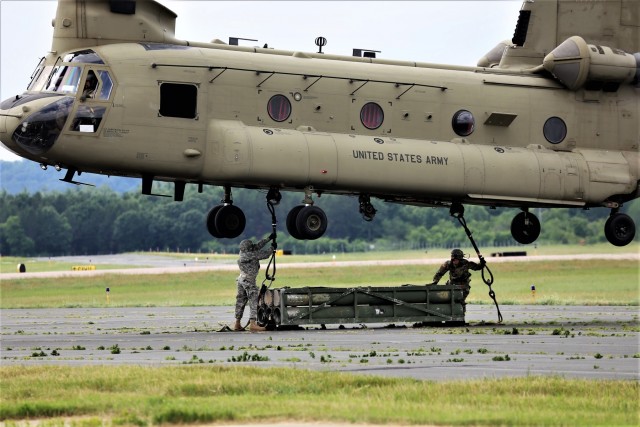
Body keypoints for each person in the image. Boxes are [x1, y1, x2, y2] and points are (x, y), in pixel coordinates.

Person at [234, 233, 276, 332]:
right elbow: (265, 254)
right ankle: (253, 324)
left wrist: (269, 239)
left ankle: (237, 323)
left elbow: (257, 246)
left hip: (241, 279)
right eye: (251, 246)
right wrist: (272, 248)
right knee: (253, 301)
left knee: (240, 301)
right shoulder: (250, 255)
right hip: (248, 281)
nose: (254, 247)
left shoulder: (243, 252)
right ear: (248, 248)